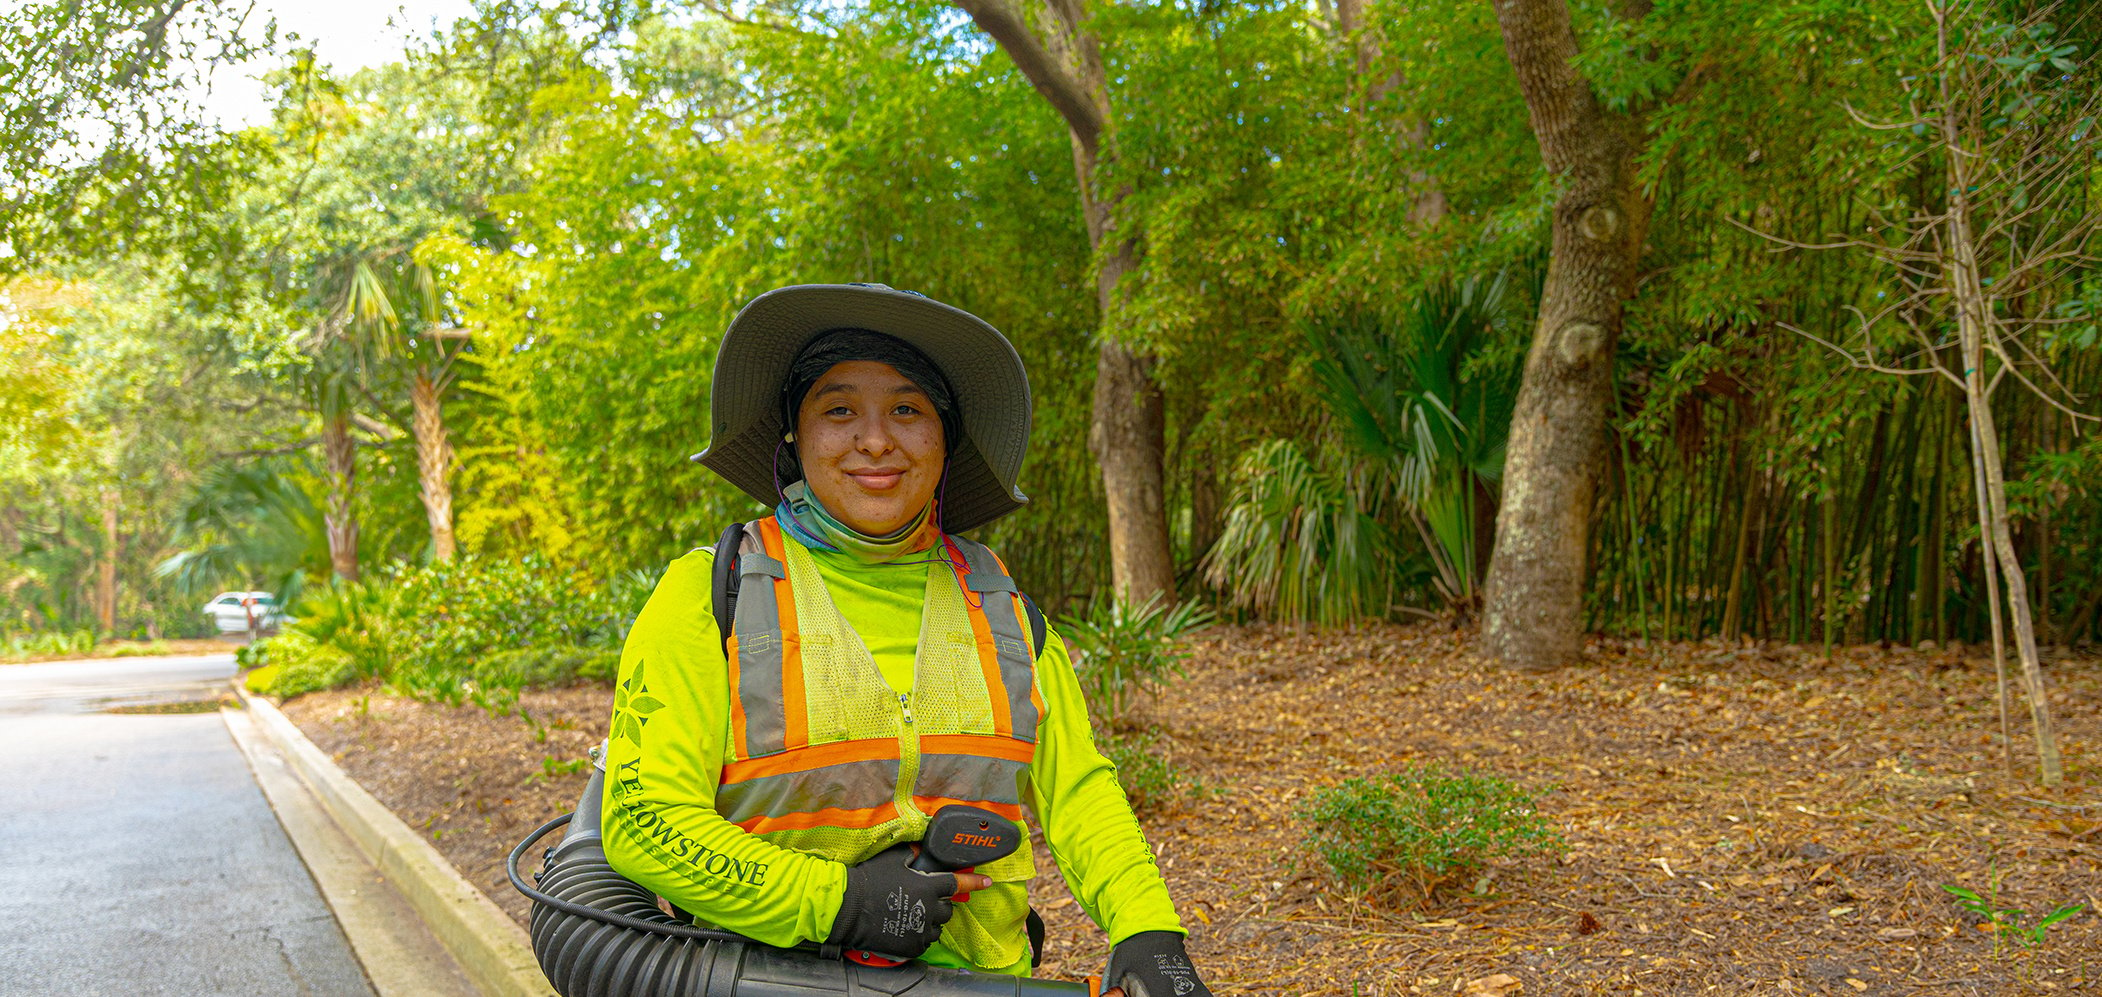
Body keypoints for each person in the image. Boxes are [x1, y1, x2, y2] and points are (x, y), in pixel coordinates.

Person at [599, 283, 1213, 997]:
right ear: (793, 435)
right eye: (838, 409)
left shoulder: (1002, 605)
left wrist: (1148, 928)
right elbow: (645, 820)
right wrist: (836, 902)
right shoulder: (712, 593)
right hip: (759, 981)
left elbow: (1076, 787)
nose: (875, 439)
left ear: (943, 439)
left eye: (907, 409)